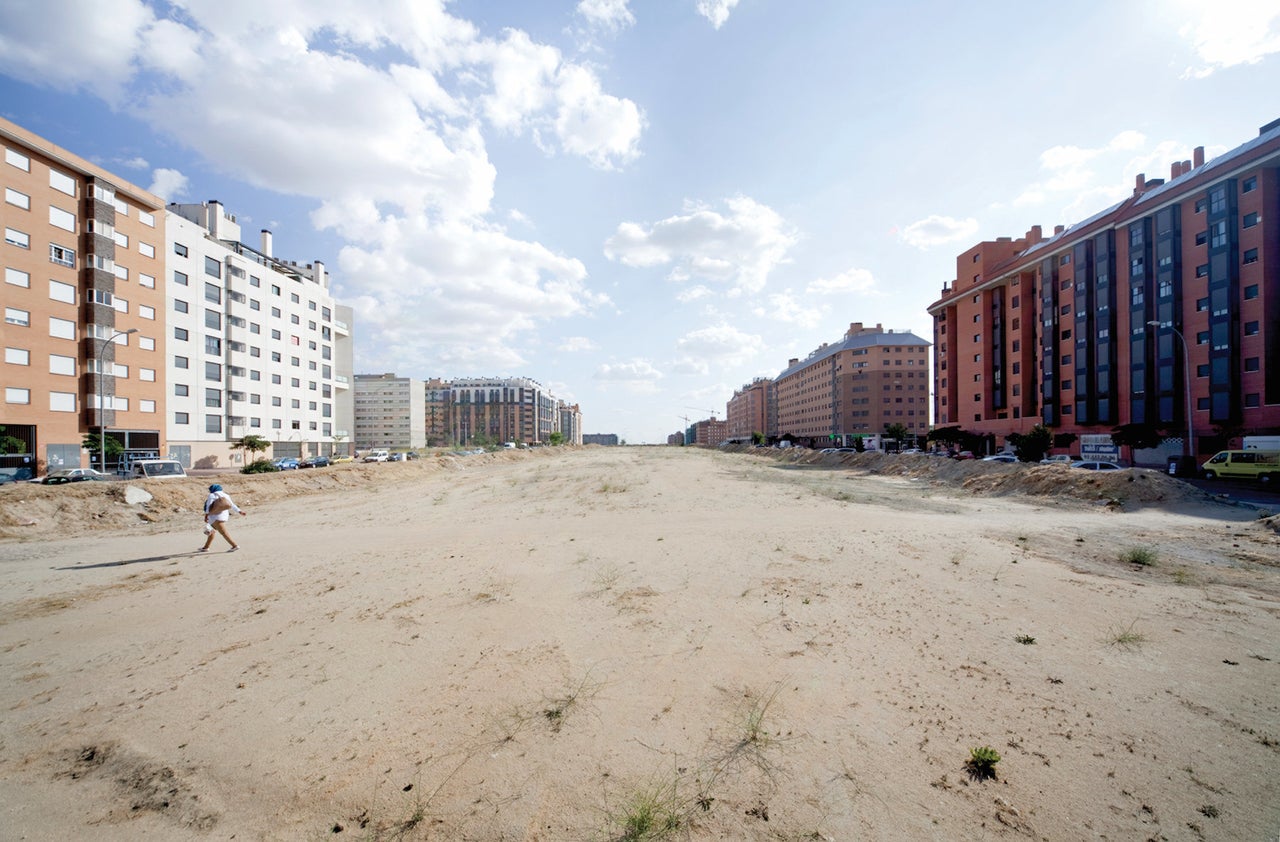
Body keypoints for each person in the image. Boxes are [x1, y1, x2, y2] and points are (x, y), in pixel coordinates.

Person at [200, 483, 246, 552]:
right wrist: (240, 511)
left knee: (224, 533)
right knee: (211, 531)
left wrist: (206, 515)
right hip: (223, 516)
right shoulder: (226, 495)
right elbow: (232, 505)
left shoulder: (212, 495)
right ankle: (206, 547)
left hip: (215, 517)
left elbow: (208, 505)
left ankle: (234, 545)